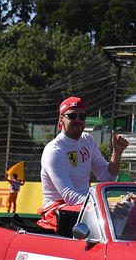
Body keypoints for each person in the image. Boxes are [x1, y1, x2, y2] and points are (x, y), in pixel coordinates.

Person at [38, 96, 129, 231]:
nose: (78, 120)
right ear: (61, 120)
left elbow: (107, 177)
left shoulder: (88, 140)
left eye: (82, 116)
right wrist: (103, 206)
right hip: (58, 208)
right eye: (72, 116)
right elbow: (69, 196)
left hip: (85, 204)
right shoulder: (54, 151)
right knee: (106, 214)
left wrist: (117, 153)